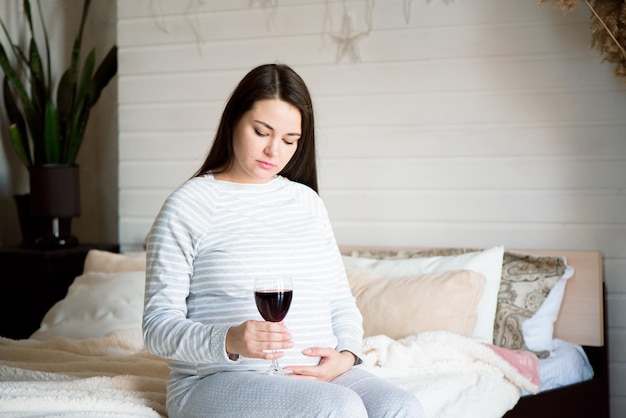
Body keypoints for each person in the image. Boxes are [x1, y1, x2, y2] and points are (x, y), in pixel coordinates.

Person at [143, 63, 424, 418]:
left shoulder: (306, 203)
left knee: (404, 408)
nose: (274, 151)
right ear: (233, 121)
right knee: (340, 409)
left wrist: (346, 356)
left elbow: (340, 301)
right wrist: (229, 339)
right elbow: (156, 327)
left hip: (315, 375)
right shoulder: (190, 205)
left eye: (290, 140)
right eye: (262, 132)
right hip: (217, 380)